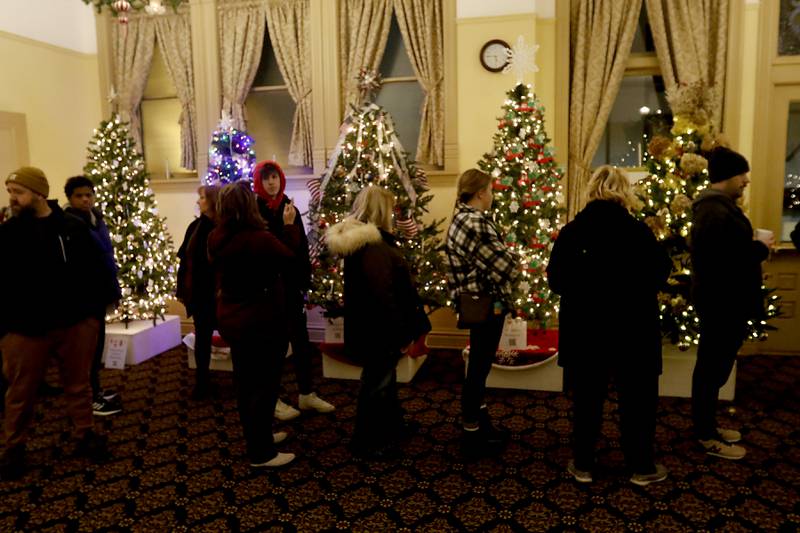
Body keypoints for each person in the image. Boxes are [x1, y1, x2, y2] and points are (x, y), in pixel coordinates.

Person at [547, 166, 671, 486]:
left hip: (587, 331)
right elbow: (660, 273)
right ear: (622, 192)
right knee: (638, 401)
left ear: (592, 190)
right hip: (633, 329)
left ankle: (584, 464)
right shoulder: (639, 231)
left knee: (587, 399)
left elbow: (556, 280)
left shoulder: (573, 231)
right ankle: (641, 466)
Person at [0, 167, 115, 480]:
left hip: (74, 322)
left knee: (78, 384)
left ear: (38, 193)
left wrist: (93, 314)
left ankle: (85, 434)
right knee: (21, 391)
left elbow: (97, 268)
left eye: (18, 192)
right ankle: (14, 448)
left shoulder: (71, 227)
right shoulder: (8, 233)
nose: (12, 198)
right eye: (10, 191)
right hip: (25, 327)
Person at [326, 186, 431, 460]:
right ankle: (366, 441)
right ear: (381, 211)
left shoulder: (367, 243)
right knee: (376, 383)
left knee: (384, 379)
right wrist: (401, 333)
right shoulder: (373, 247)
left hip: (371, 326)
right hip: (380, 329)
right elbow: (384, 296)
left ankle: (392, 426)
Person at [208, 182, 302, 468]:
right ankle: (261, 453)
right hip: (261, 320)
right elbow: (290, 258)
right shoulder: (257, 238)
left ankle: (258, 437)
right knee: (264, 385)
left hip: (234, 318)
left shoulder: (216, 236)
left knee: (247, 384)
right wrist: (288, 225)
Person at [690, 147, 773, 460]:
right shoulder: (714, 211)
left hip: (723, 303)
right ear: (728, 175)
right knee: (711, 370)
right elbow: (720, 262)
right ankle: (704, 434)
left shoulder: (719, 208)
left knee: (714, 369)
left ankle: (707, 427)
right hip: (720, 303)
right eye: (743, 174)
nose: (747, 180)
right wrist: (758, 250)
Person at [445, 169, 518, 459]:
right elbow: (506, 267)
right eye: (491, 190)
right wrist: (515, 261)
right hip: (486, 304)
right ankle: (472, 431)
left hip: (476, 303)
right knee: (479, 367)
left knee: (479, 364)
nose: (493, 195)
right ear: (480, 193)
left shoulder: (461, 217)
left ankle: (480, 423)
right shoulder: (476, 222)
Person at [253, 160, 335, 419]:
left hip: (291, 288)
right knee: (274, 349)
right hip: (269, 292)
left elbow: (299, 252)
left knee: (301, 342)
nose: (271, 182)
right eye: (266, 178)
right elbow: (271, 251)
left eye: (274, 177)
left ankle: (306, 394)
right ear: (259, 182)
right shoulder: (255, 213)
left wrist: (304, 283)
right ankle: (273, 399)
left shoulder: (290, 208)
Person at [64, 176, 123, 416]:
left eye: (88, 194)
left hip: (100, 290)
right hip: (85, 295)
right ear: (70, 198)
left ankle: (95, 389)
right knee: (86, 350)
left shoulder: (96, 219)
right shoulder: (70, 224)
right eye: (79, 195)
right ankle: (88, 397)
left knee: (97, 345)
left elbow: (106, 256)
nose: (85, 199)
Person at [177, 185, 220, 400]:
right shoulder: (195, 227)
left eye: (202, 198)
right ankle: (202, 381)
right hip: (202, 293)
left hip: (222, 293)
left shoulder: (225, 226)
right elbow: (185, 260)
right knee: (202, 337)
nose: (198, 202)